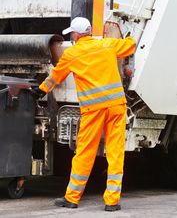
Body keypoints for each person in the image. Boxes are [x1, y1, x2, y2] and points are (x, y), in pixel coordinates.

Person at [32, 17, 136, 211]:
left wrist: (39, 91)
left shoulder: (72, 53)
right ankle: (112, 202)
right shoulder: (107, 44)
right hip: (116, 107)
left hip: (93, 110)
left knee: (85, 152)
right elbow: (129, 46)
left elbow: (56, 77)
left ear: (77, 35)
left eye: (72, 34)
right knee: (115, 152)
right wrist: (130, 36)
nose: (71, 37)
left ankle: (72, 198)